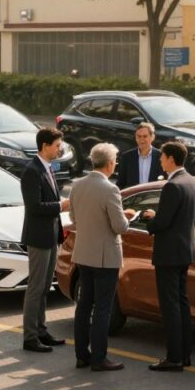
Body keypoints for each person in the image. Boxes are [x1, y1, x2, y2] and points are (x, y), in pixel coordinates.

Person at [70, 143, 135, 371]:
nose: (116, 163)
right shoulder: (110, 189)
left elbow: (73, 216)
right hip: (105, 256)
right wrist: (130, 217)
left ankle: (81, 355)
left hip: (83, 252)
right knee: (103, 308)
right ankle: (99, 357)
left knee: (84, 305)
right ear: (109, 164)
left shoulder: (77, 185)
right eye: (115, 160)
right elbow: (119, 226)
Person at [141, 142, 195, 371]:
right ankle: (184, 354)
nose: (160, 160)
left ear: (171, 159)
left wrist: (149, 221)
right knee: (182, 303)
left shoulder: (172, 186)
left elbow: (162, 223)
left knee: (170, 306)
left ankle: (174, 357)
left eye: (162, 157)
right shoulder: (191, 182)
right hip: (184, 251)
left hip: (169, 254)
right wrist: (160, 215)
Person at [20, 128, 70, 354]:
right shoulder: (32, 171)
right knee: (36, 287)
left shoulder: (47, 168)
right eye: (57, 145)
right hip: (39, 237)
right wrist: (62, 206)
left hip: (51, 235)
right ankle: (30, 336)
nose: (59, 149)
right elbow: (34, 206)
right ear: (45, 146)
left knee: (45, 288)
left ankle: (41, 330)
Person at [115, 123, 164, 190]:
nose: (141, 139)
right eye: (139, 136)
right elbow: (120, 183)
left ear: (152, 137)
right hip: (134, 198)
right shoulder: (127, 157)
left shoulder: (161, 156)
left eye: (145, 136)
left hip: (154, 198)